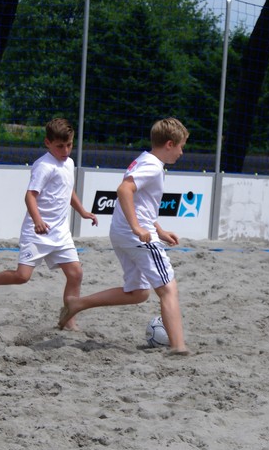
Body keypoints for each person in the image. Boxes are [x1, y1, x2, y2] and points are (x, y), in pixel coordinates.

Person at [57, 117, 190, 354]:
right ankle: (179, 348)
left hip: (121, 233)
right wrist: (138, 228)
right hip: (135, 236)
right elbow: (124, 190)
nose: (182, 152)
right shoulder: (153, 166)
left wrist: (159, 230)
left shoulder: (145, 159)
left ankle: (77, 303)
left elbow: (140, 203)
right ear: (169, 144)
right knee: (168, 288)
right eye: (181, 146)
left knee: (138, 293)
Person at [0, 118, 98, 330]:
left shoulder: (69, 163)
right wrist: (37, 220)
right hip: (37, 232)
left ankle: (69, 320)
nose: (65, 150)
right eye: (60, 146)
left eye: (69, 145)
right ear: (47, 143)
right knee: (22, 277)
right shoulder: (44, 166)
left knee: (76, 274)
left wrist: (82, 211)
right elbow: (29, 196)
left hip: (60, 232)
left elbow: (68, 188)